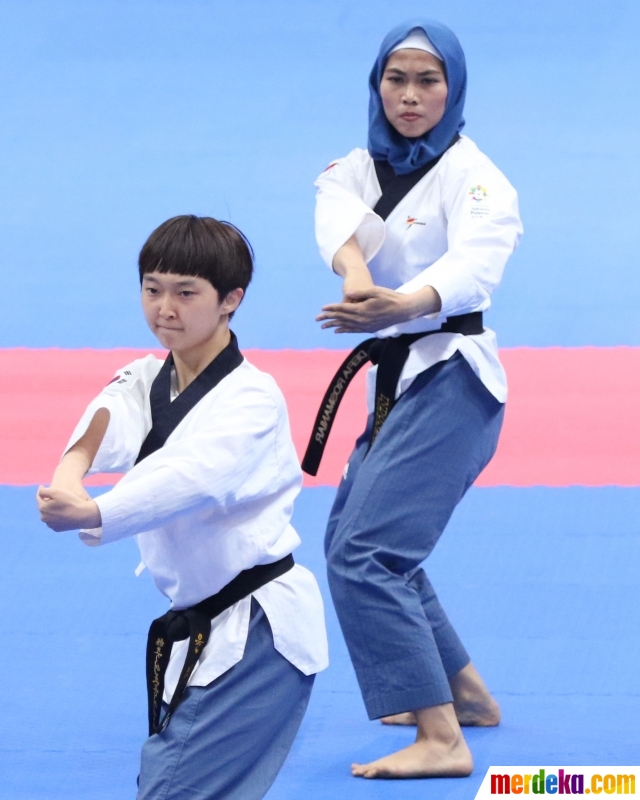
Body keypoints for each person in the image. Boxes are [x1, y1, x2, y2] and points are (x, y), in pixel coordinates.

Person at [37, 215, 328, 800]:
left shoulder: (251, 400)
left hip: (257, 631)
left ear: (231, 300)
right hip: (206, 626)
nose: (165, 308)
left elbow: (189, 476)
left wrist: (95, 514)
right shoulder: (149, 376)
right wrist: (69, 477)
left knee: (174, 790)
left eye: (186, 292)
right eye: (152, 288)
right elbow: (105, 417)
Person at [310, 20, 522, 779]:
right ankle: (466, 695)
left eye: (426, 80)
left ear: (454, 87)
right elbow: (334, 207)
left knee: (368, 553)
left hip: (454, 381)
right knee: (356, 542)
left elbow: (475, 270)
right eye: (394, 79)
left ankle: (441, 740)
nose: (407, 95)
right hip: (401, 380)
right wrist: (355, 276)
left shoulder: (480, 181)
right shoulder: (360, 165)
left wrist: (404, 304)